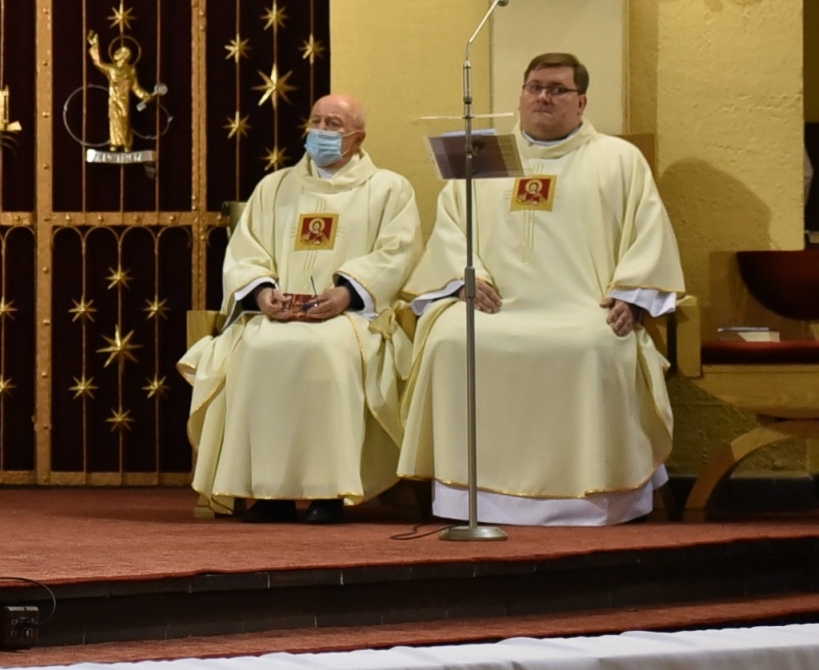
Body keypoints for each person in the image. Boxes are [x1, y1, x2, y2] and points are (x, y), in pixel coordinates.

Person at [397, 52, 685, 526]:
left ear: (582, 102)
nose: (543, 97)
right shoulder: (485, 155)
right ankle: (469, 499)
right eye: (534, 87)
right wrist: (466, 277)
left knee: (595, 345)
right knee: (451, 339)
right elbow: (452, 226)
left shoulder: (617, 158)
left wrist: (633, 296)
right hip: (496, 308)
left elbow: (648, 232)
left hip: (582, 308)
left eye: (557, 89)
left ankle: (590, 499)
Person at [178, 94, 421, 523]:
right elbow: (246, 252)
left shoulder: (388, 188)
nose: (322, 132)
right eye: (316, 122)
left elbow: (397, 253)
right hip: (278, 314)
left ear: (358, 137)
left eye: (334, 124)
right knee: (255, 351)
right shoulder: (275, 188)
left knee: (325, 352)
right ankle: (270, 495)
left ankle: (329, 494)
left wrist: (346, 292)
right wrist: (263, 294)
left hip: (350, 317)